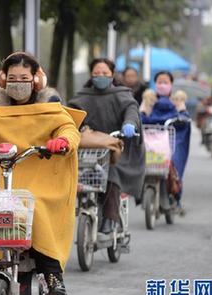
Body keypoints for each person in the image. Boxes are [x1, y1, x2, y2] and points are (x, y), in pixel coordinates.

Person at [0, 52, 84, 295]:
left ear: (36, 79)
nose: (18, 83)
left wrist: (62, 141)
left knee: (38, 207)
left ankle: (53, 274)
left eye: (24, 77)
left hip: (40, 178)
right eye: (12, 78)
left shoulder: (51, 110)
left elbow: (68, 128)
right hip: (2, 176)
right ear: (2, 80)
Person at [69, 58, 145, 233]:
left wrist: (130, 124)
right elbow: (71, 116)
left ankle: (111, 218)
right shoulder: (81, 97)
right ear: (91, 75)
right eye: (96, 73)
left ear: (112, 75)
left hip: (116, 150)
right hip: (87, 150)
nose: (100, 76)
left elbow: (131, 110)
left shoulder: (122, 94)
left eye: (105, 73)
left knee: (111, 173)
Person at [140, 71, 191, 212]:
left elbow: (184, 116)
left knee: (173, 163)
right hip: (151, 139)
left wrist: (182, 117)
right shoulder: (148, 99)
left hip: (170, 139)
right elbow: (140, 114)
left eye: (165, 82)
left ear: (171, 84)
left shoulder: (177, 100)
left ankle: (174, 193)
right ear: (155, 83)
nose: (162, 85)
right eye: (159, 82)